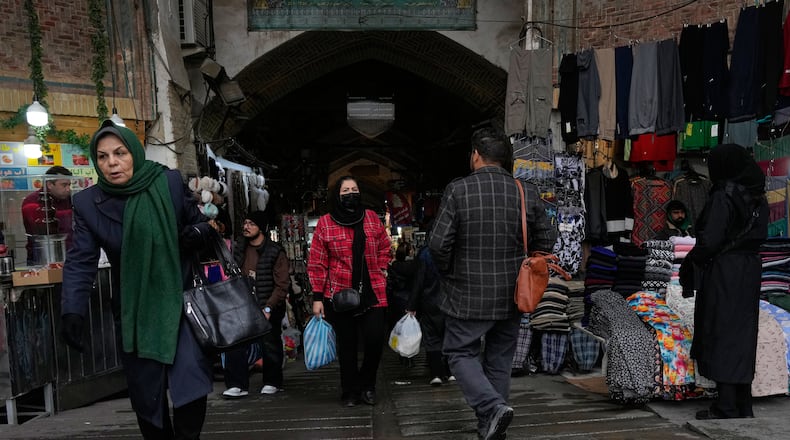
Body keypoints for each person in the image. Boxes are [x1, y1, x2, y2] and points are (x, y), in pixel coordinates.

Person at [60, 120, 218, 439]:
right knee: (147, 396)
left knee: (190, 383)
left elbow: (202, 225)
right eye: (102, 157)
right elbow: (81, 260)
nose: (112, 163)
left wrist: (196, 234)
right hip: (136, 310)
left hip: (181, 303)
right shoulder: (88, 204)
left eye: (119, 153)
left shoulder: (169, 182)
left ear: (134, 152)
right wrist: (72, 310)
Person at [429, 126, 556, 440]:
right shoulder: (524, 191)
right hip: (513, 292)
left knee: (459, 352)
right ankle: (490, 424)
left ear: (475, 155)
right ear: (507, 159)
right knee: (499, 358)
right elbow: (546, 241)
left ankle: (491, 408)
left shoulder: (458, 190)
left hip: (466, 292)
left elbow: (437, 244)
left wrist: (449, 272)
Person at [680, 144, 768, 420]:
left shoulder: (724, 194)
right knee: (742, 334)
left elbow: (711, 239)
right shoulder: (757, 194)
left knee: (722, 332)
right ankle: (742, 403)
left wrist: (694, 258)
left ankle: (726, 405)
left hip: (725, 269)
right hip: (749, 268)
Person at [307, 175, 391, 407]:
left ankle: (368, 384)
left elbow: (385, 245)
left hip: (373, 291)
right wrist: (317, 297)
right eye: (345, 190)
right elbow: (317, 261)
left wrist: (382, 266)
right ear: (337, 194)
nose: (350, 193)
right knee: (347, 346)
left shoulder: (372, 218)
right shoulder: (325, 222)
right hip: (339, 293)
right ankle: (350, 391)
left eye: (354, 189)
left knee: (374, 341)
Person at [222, 210, 290, 398]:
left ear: (261, 227)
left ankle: (272, 381)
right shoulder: (239, 249)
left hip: (268, 304)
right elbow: (232, 275)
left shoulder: (275, 250)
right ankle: (237, 384)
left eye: (251, 224)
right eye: (245, 223)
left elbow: (282, 284)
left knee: (270, 343)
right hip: (243, 303)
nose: (246, 227)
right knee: (236, 343)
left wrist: (268, 307)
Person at [406, 233, 454, 386]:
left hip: (429, 301)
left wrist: (412, 306)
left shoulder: (425, 254)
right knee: (450, 336)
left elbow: (418, 281)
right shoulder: (452, 251)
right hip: (450, 301)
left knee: (432, 339)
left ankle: (436, 374)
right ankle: (450, 371)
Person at [21, 165, 74, 265]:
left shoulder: (68, 199)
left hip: (69, 254)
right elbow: (45, 219)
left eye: (69, 185)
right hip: (42, 255)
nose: (68, 189)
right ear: (49, 184)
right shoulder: (31, 201)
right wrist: (75, 213)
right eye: (64, 185)